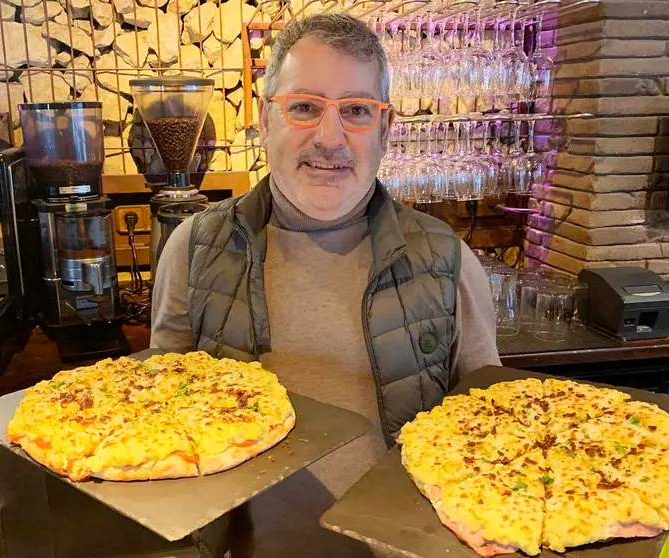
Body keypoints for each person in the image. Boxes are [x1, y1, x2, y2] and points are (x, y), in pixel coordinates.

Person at [151, 13, 500, 557]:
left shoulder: (447, 260)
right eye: (306, 107)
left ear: (385, 130)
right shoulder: (194, 249)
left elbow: (494, 432)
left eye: (357, 111)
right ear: (266, 120)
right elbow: (157, 418)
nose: (330, 138)